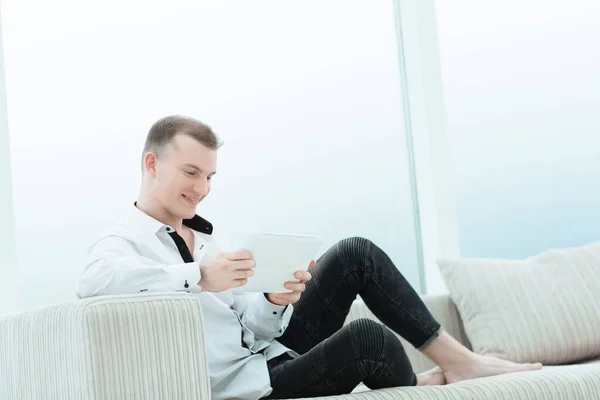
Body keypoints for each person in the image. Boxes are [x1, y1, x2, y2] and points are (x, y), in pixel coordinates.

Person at [76, 115, 542, 400]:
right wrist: (199, 276)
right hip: (251, 387)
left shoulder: (210, 241)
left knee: (355, 253)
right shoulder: (120, 244)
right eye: (191, 172)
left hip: (273, 352)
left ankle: (458, 360)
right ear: (152, 164)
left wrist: (276, 300)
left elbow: (256, 327)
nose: (202, 189)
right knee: (367, 340)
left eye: (210, 176)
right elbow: (95, 283)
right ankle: (419, 384)